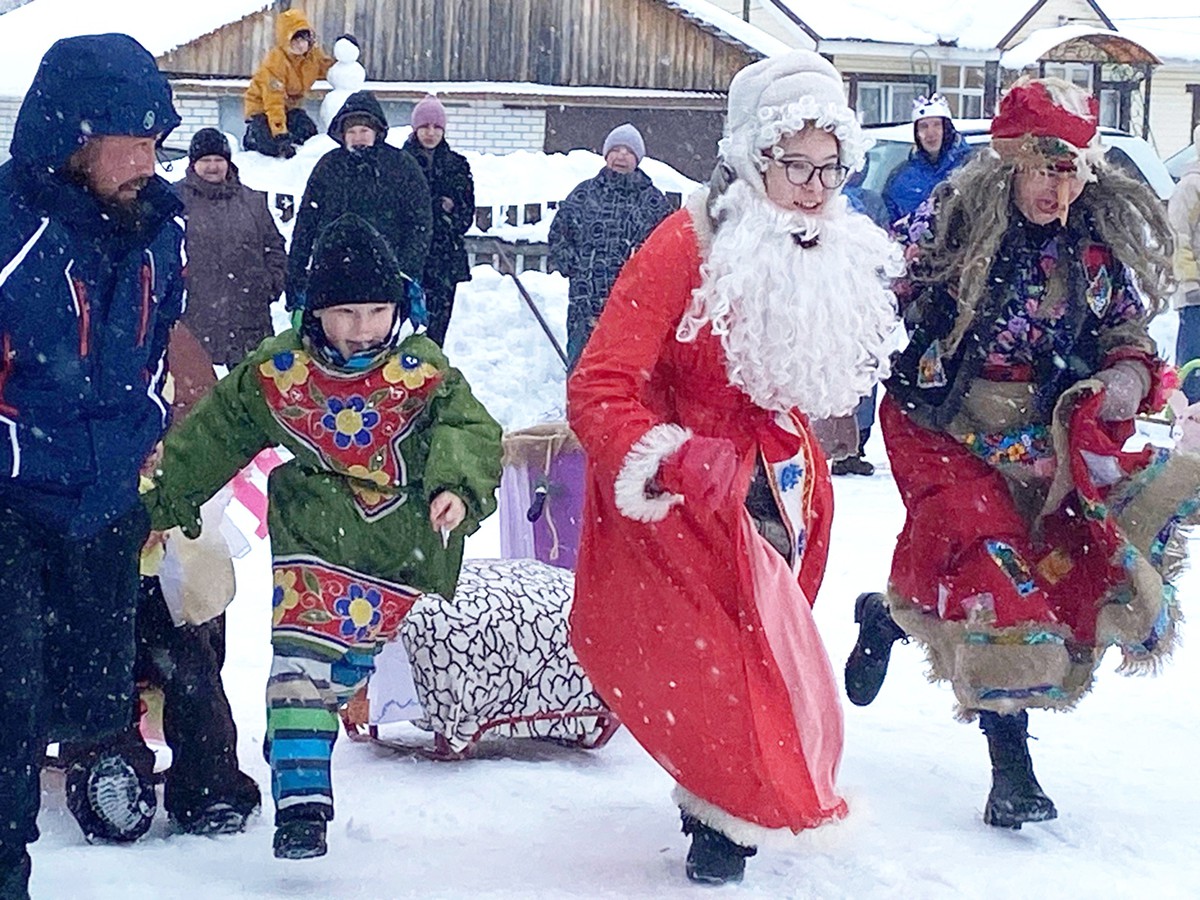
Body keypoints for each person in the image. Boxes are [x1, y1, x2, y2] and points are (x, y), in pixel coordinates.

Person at [567, 50, 901, 885]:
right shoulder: (685, 243)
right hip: (683, 494)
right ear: (753, 159)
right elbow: (600, 385)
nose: (817, 187)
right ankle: (722, 817)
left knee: (765, 659)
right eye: (797, 166)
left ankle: (726, 800)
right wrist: (674, 456)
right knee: (716, 667)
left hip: (778, 486)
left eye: (831, 169)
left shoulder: (829, 240)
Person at [845, 77, 1195, 831]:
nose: (1056, 187)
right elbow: (879, 289)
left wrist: (1128, 376)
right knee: (992, 565)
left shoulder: (1089, 245)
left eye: (1070, 171)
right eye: (1044, 167)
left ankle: (886, 619)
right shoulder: (955, 217)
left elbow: (1127, 332)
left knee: (1055, 573)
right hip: (939, 423)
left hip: (1035, 438)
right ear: (1009, 162)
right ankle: (1013, 769)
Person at [143, 213, 502, 861]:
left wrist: (457, 486)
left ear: (400, 307)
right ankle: (303, 808)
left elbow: (469, 430)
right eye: (346, 313)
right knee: (298, 670)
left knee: (339, 676)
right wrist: (162, 500)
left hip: (399, 547)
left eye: (375, 311)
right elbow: (215, 435)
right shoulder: (281, 371)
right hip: (316, 539)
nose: (362, 328)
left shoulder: (420, 372)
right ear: (314, 312)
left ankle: (295, 742)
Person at [0, 34, 185, 898]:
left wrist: (140, 439)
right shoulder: (13, 232)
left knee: (92, 708)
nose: (152, 160)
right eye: (135, 141)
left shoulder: (156, 235)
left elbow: (152, 355)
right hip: (11, 506)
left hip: (103, 511)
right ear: (77, 139)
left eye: (158, 142)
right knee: (5, 718)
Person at [286, 91, 432, 315]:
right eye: (351, 131)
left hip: (386, 274)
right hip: (333, 273)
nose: (358, 137)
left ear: (376, 132)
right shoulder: (329, 166)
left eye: (364, 130)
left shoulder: (401, 166)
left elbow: (419, 223)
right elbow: (306, 222)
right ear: (342, 135)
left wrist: (406, 271)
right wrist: (296, 274)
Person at [548, 123, 673, 367]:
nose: (621, 156)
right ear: (606, 155)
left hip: (633, 304)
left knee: (624, 370)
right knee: (582, 366)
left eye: (628, 151)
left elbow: (668, 248)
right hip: (585, 303)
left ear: (638, 158)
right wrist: (575, 266)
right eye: (616, 149)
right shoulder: (584, 194)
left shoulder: (653, 201)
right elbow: (559, 234)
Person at [175, 128, 286, 367]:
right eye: (205, 160)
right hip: (194, 319)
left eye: (218, 160)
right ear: (193, 163)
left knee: (253, 393)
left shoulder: (252, 201)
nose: (213, 166)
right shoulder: (173, 201)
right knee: (195, 398)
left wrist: (271, 284)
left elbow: (274, 246)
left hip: (249, 319)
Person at [401, 95, 476, 346]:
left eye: (436, 127)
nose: (430, 133)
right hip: (407, 259)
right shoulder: (400, 163)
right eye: (424, 126)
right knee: (403, 330)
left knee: (436, 333)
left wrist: (447, 215)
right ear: (415, 129)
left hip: (445, 260)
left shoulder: (457, 166)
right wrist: (438, 205)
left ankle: (430, 379)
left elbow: (465, 215)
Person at [243, 9, 334, 158]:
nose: (299, 45)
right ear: (285, 40)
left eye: (303, 40)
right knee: (270, 145)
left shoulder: (313, 57)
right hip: (263, 109)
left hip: (290, 108)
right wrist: (281, 136)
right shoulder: (276, 62)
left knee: (308, 132)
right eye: (294, 40)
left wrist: (346, 54)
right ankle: (252, 136)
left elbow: (330, 69)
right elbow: (274, 101)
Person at [881, 93, 973, 229]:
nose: (931, 133)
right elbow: (889, 221)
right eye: (924, 126)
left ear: (946, 129)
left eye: (936, 125)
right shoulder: (901, 178)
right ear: (917, 134)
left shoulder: (970, 166)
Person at [1170, 125, 1200, 401]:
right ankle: (1187, 411)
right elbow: (1178, 237)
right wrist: (1189, 281)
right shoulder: (1191, 186)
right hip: (1196, 295)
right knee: (1194, 362)